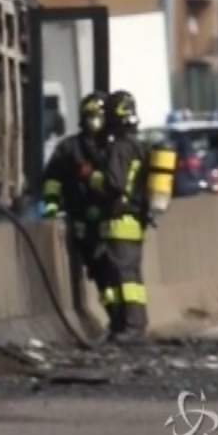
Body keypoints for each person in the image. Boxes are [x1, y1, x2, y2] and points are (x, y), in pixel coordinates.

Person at [41, 91, 115, 331]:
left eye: (99, 115)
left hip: (111, 220)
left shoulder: (113, 149)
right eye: (91, 115)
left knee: (117, 270)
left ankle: (124, 320)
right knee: (100, 273)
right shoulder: (69, 149)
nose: (95, 120)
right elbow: (52, 180)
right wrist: (52, 206)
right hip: (82, 221)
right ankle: (116, 317)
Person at [99, 89, 151, 343]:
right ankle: (125, 324)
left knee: (125, 276)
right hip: (136, 219)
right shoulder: (141, 146)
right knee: (128, 275)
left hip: (121, 220)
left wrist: (91, 178)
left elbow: (114, 183)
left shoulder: (119, 148)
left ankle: (132, 326)